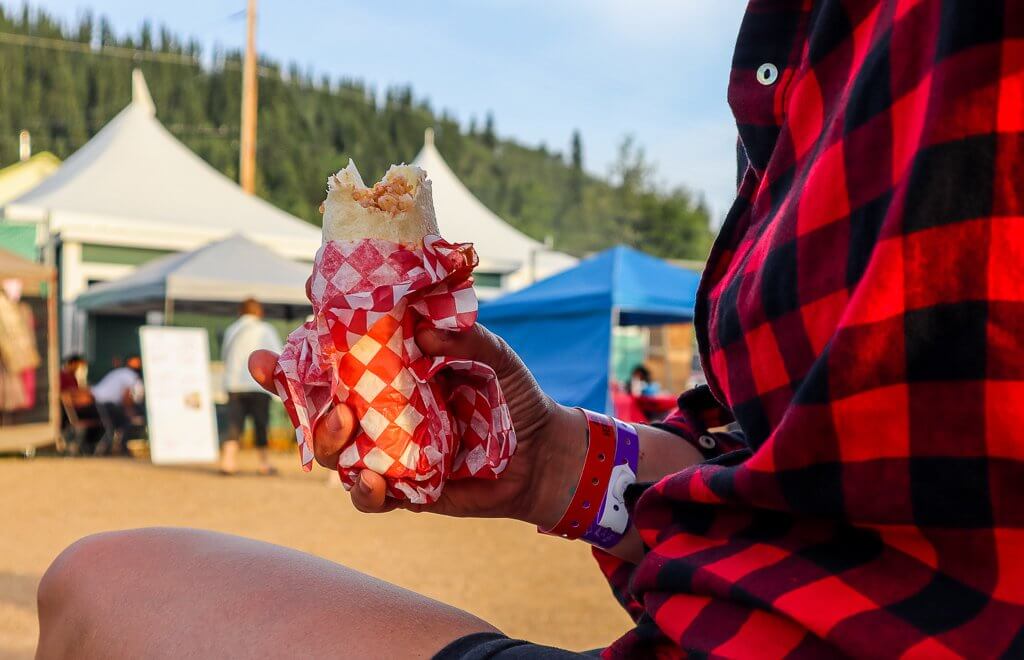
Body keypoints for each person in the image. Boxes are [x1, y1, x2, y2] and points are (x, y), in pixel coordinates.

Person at [36, 2, 1024, 657]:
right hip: (717, 625)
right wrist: (554, 462)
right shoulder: (802, 51)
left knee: (104, 588)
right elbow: (778, 469)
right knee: (107, 578)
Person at [219, 298, 283, 475]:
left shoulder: (232, 330)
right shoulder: (265, 330)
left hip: (234, 384)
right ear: (259, 312)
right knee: (261, 425)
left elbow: (224, 354)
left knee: (233, 424)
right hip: (258, 385)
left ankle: (227, 462)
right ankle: (264, 464)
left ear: (240, 311)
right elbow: (277, 356)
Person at [89, 355, 144, 456]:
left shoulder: (120, 372)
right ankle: (118, 449)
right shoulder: (129, 374)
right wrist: (130, 413)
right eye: (136, 363)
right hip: (103, 403)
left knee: (116, 425)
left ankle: (113, 449)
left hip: (97, 403)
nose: (138, 365)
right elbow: (126, 396)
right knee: (123, 423)